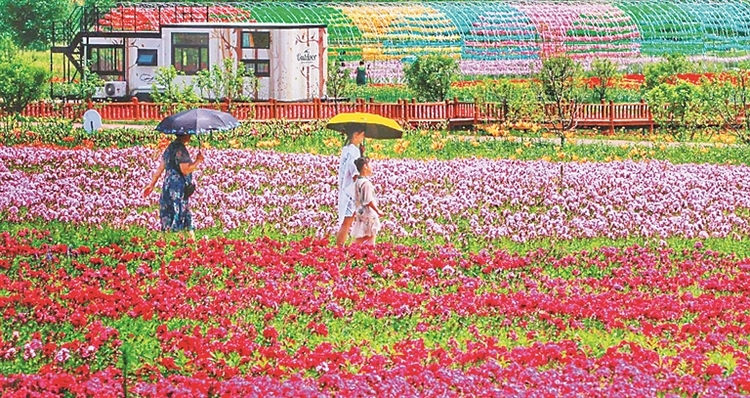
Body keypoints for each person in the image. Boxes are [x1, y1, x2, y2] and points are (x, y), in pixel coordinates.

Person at [142, 134, 204, 239]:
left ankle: (163, 244)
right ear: (185, 135)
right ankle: (186, 247)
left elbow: (161, 168)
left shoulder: (170, 147)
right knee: (181, 215)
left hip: (167, 186)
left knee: (167, 215)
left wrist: (152, 184)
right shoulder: (181, 150)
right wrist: (198, 161)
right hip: (178, 188)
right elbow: (185, 169)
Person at [335, 130, 364, 246]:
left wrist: (361, 155)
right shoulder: (353, 151)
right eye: (362, 135)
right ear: (356, 134)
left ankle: (341, 247)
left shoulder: (347, 149)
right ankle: (339, 248)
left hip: (345, 189)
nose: (363, 138)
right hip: (351, 191)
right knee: (347, 222)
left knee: (347, 221)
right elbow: (355, 171)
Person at [351, 157, 383, 245]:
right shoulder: (366, 183)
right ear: (365, 166)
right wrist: (378, 210)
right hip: (368, 213)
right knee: (367, 236)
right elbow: (368, 200)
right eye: (369, 165)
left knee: (368, 236)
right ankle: (349, 252)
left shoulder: (358, 181)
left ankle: (368, 253)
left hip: (360, 212)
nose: (371, 167)